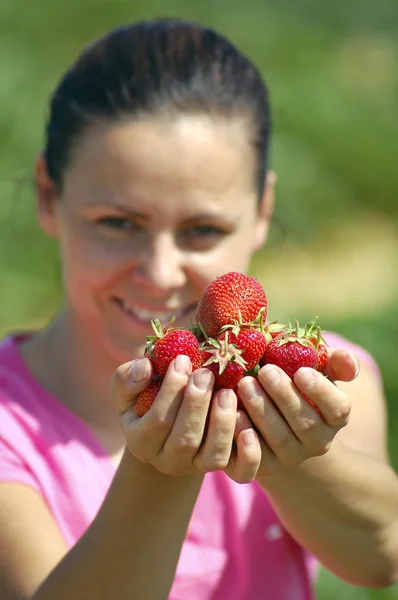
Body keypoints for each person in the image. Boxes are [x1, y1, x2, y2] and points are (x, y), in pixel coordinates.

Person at [0, 17, 397, 600]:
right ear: (48, 196)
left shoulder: (325, 382)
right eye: (117, 223)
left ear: (262, 210)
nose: (160, 272)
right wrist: (160, 470)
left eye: (202, 229)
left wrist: (289, 444)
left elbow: (380, 556)